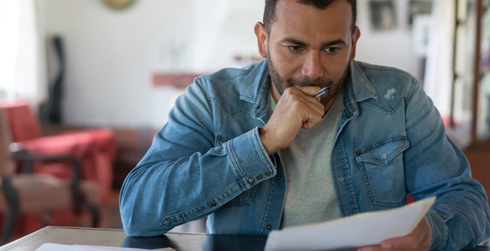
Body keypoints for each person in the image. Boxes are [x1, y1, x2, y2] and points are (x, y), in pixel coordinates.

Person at [119, 0, 490, 250]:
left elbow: (468, 200)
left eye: (332, 49)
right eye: (294, 48)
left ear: (354, 42)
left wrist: (432, 233)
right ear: (263, 40)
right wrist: (262, 143)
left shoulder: (399, 96)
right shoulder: (213, 97)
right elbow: (138, 211)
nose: (313, 70)